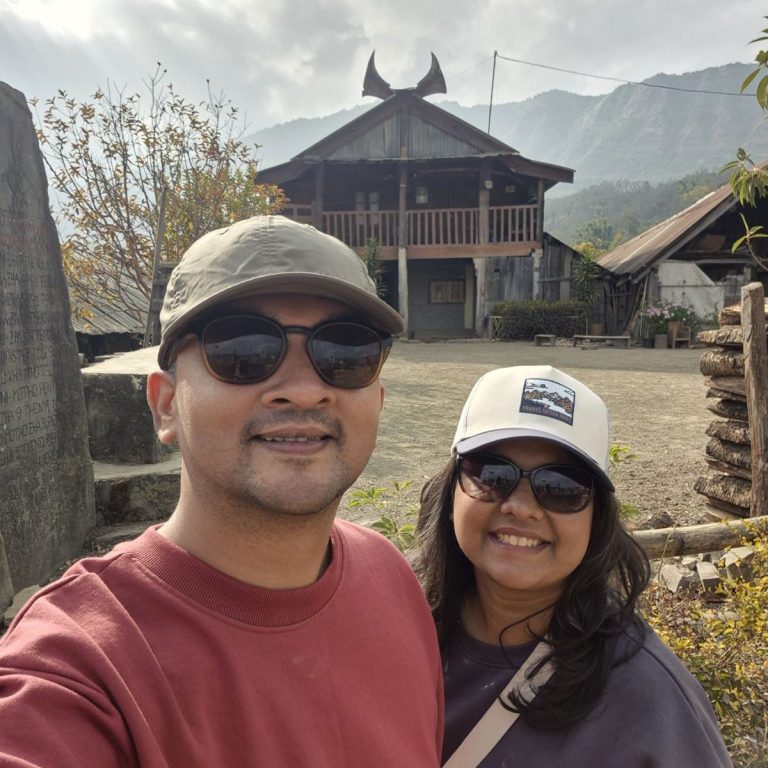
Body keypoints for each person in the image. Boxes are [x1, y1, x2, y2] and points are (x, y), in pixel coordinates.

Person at [0, 216, 444, 767]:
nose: (305, 390)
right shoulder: (84, 662)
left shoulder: (390, 576)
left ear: (377, 399)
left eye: (346, 353)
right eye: (243, 350)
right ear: (166, 405)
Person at [414, 365, 733, 767]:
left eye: (561, 487)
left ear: (597, 518)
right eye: (492, 474)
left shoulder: (651, 701)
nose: (522, 508)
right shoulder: (393, 628)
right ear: (452, 492)